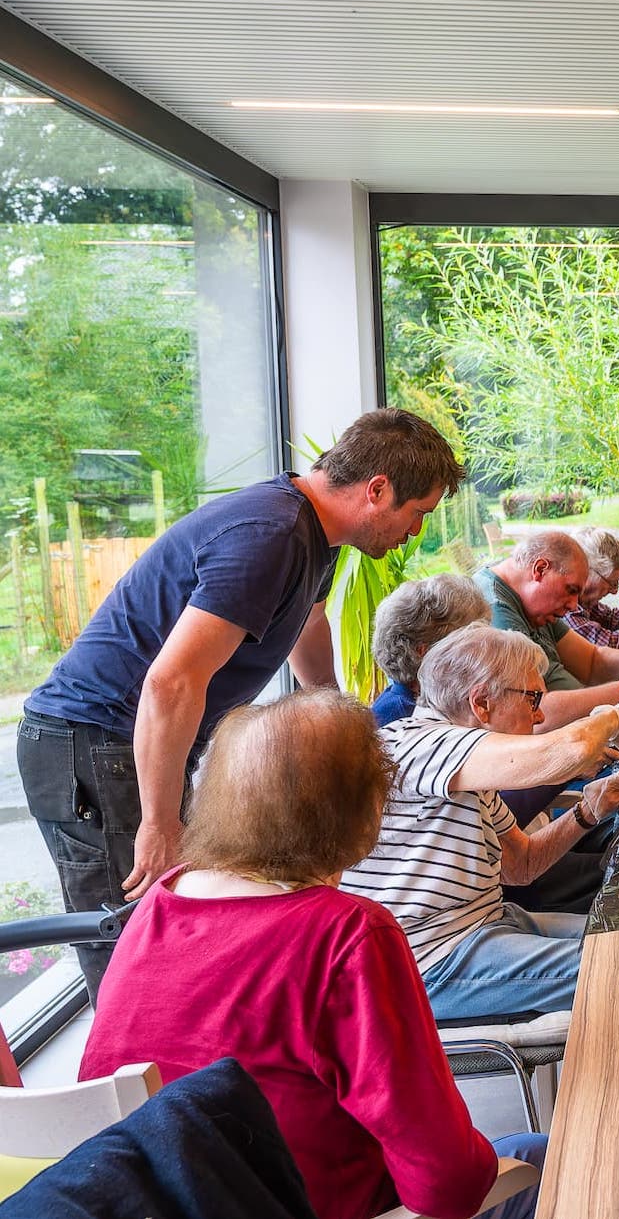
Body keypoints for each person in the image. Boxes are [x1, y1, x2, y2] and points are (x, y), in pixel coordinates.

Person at [18, 407, 463, 996]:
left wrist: (339, 716)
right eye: (418, 513)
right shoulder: (270, 533)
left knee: (182, 928)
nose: (416, 532)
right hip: (95, 739)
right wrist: (157, 819)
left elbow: (307, 620)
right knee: (133, 946)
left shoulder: (313, 534)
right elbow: (170, 683)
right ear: (377, 490)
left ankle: (193, 1081)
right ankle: (133, 1086)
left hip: (135, 741)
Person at [78, 689, 547, 1219]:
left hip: (151, 1200)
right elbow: (450, 1184)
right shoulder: (347, 932)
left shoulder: (162, 899)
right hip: (310, 1206)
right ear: (365, 809)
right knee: (542, 1155)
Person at [342, 624, 619, 1020]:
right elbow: (569, 749)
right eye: (533, 698)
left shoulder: (466, 766)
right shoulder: (423, 744)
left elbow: (520, 865)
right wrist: (616, 718)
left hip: (483, 925)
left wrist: (590, 809)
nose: (539, 715)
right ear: (482, 703)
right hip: (432, 959)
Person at [475, 530, 619, 728]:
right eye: (571, 590)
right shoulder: (495, 609)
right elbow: (537, 714)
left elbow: (591, 661)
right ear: (540, 569)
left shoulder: (537, 607)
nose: (573, 605)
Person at [371, 573, 491, 725]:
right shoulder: (403, 718)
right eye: (470, 644)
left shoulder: (439, 701)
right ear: (425, 654)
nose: (483, 653)